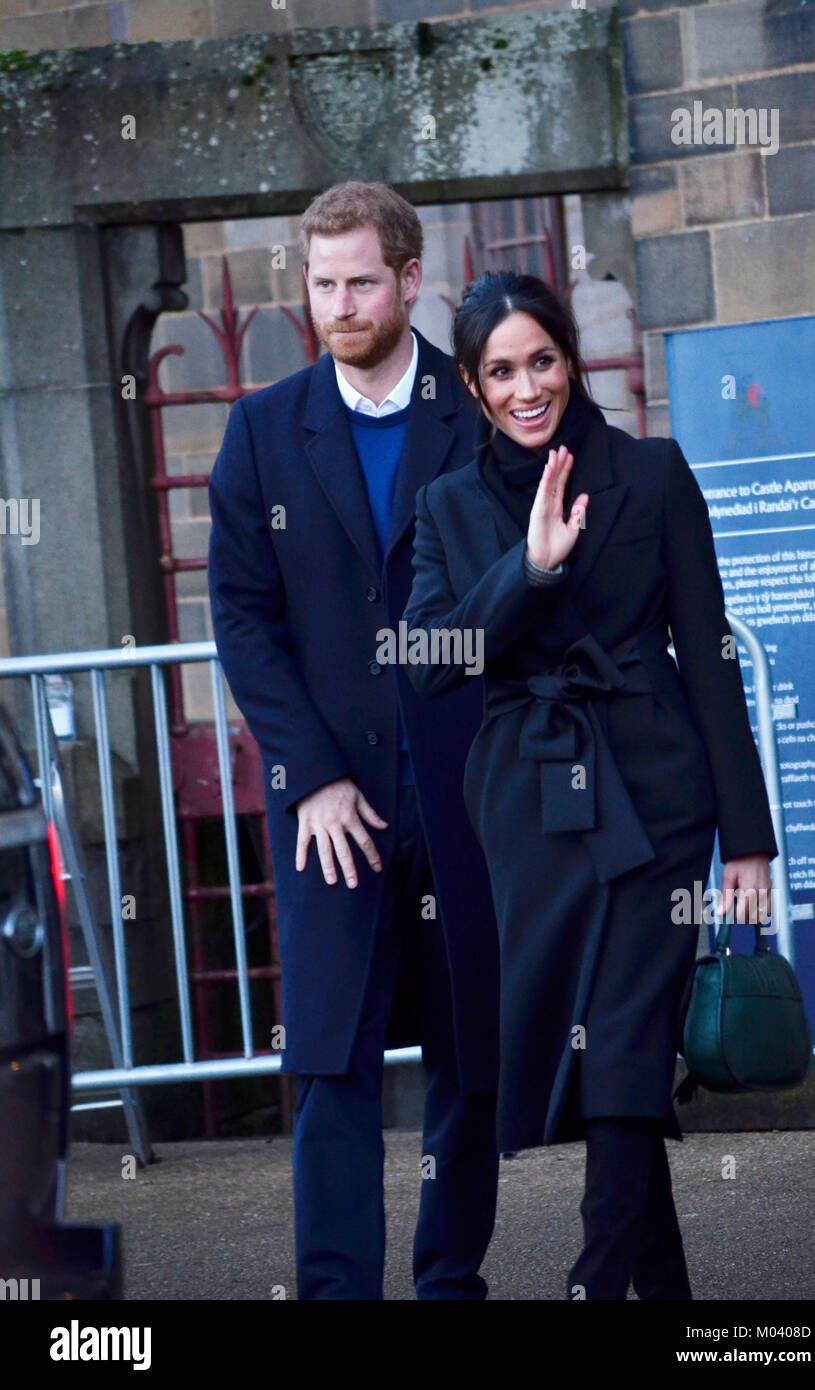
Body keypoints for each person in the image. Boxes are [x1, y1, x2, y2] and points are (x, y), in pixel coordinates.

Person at [403, 270, 778, 1300]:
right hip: (531, 809)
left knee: (621, 1034)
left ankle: (597, 1278)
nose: (526, 388)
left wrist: (748, 840)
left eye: (542, 361)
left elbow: (710, 657)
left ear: (570, 360)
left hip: (656, 794)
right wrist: (525, 571)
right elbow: (428, 660)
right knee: (609, 1049)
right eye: (500, 372)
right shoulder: (445, 505)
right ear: (473, 387)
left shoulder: (653, 473)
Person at [207, 183, 500, 1300]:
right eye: (322, 284)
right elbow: (242, 617)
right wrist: (312, 777)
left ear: (410, 280)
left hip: (464, 792)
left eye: (361, 282)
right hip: (332, 808)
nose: (338, 304)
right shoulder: (262, 427)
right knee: (330, 1062)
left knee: (469, 1057)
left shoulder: (475, 410)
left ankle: (449, 1283)